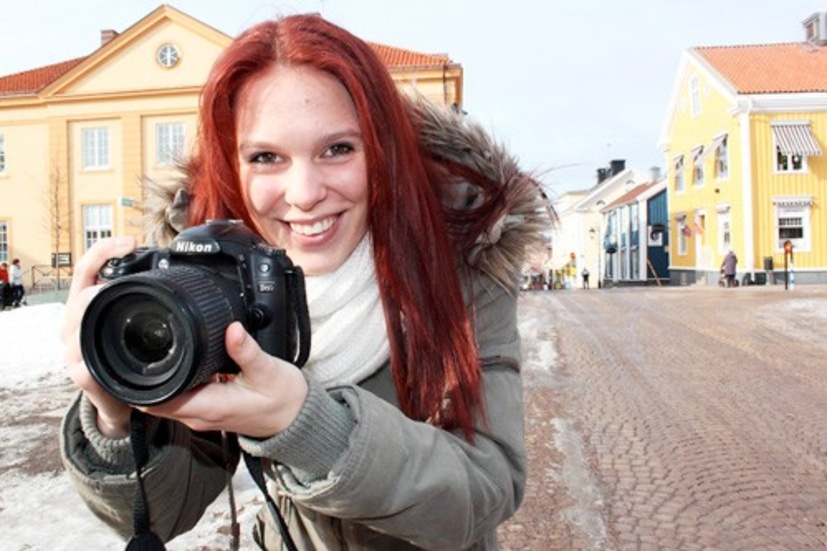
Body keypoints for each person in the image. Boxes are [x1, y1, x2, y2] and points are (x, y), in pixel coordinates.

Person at [59, 14, 552, 550]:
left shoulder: (460, 262)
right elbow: (165, 512)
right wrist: (116, 411)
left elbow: (485, 489)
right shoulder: (215, 276)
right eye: (266, 157)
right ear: (233, 167)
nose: (304, 192)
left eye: (337, 149)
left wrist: (305, 423)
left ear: (382, 152)